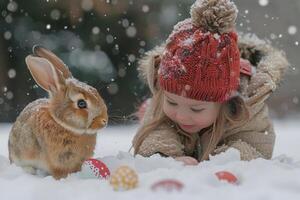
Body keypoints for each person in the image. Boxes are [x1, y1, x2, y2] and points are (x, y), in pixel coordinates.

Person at [131, 0, 289, 165]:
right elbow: (153, 134)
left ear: (224, 101)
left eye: (196, 108)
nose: (182, 115)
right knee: (154, 115)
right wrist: (165, 156)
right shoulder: (163, 94)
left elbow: (255, 147)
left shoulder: (249, 106)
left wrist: (222, 161)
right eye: (172, 102)